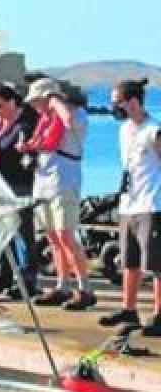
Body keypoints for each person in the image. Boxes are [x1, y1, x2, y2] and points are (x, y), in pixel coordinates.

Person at [20, 78, 94, 310]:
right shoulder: (46, 119)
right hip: (45, 183)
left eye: (37, 101)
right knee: (53, 237)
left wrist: (54, 101)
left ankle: (84, 287)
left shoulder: (75, 115)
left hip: (64, 182)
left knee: (66, 235)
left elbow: (68, 119)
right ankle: (62, 285)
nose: (34, 106)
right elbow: (39, 142)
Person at [99, 79, 161, 334]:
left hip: (152, 203)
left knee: (156, 264)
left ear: (133, 102)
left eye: (118, 103)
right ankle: (129, 309)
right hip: (129, 203)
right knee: (129, 260)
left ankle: (159, 314)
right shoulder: (124, 130)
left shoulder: (154, 130)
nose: (113, 108)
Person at [0, 84, 40, 295]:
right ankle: (5, 275)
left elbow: (30, 152)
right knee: (3, 232)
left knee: (23, 232)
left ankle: (28, 279)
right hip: (0, 183)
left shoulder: (25, 123)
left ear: (12, 102)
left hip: (20, 184)